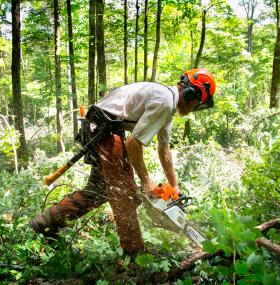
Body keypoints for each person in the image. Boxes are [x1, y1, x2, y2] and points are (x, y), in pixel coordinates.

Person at [30, 68, 216, 255]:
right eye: (196, 104)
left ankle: (44, 223)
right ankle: (134, 256)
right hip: (104, 128)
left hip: (103, 126)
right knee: (125, 194)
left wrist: (174, 186)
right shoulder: (165, 102)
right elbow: (133, 144)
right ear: (191, 93)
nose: (193, 109)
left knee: (98, 191)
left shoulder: (168, 104)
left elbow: (164, 149)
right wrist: (147, 183)